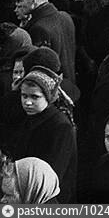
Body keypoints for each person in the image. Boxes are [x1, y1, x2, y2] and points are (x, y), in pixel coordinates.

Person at [7, 65, 77, 202]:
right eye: (24, 96)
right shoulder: (28, 118)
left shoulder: (61, 127)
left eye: (35, 97)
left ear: (48, 97)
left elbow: (52, 175)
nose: (27, 102)